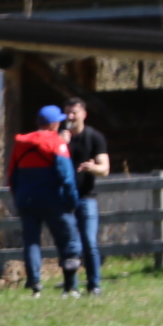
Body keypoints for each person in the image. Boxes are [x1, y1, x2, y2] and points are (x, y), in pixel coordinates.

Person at [8, 105, 83, 296]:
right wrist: (72, 201)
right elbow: (67, 177)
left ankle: (35, 285)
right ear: (55, 124)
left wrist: (18, 197)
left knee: (31, 242)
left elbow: (12, 176)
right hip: (53, 200)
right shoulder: (56, 142)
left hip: (26, 200)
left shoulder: (21, 143)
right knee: (68, 241)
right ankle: (70, 287)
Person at [62, 97, 110, 294]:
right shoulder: (59, 138)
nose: (70, 116)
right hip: (64, 199)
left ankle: (94, 285)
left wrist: (92, 167)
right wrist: (61, 143)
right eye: (67, 112)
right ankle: (71, 287)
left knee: (89, 242)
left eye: (74, 112)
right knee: (69, 245)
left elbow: (104, 169)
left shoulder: (94, 137)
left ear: (84, 114)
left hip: (86, 198)